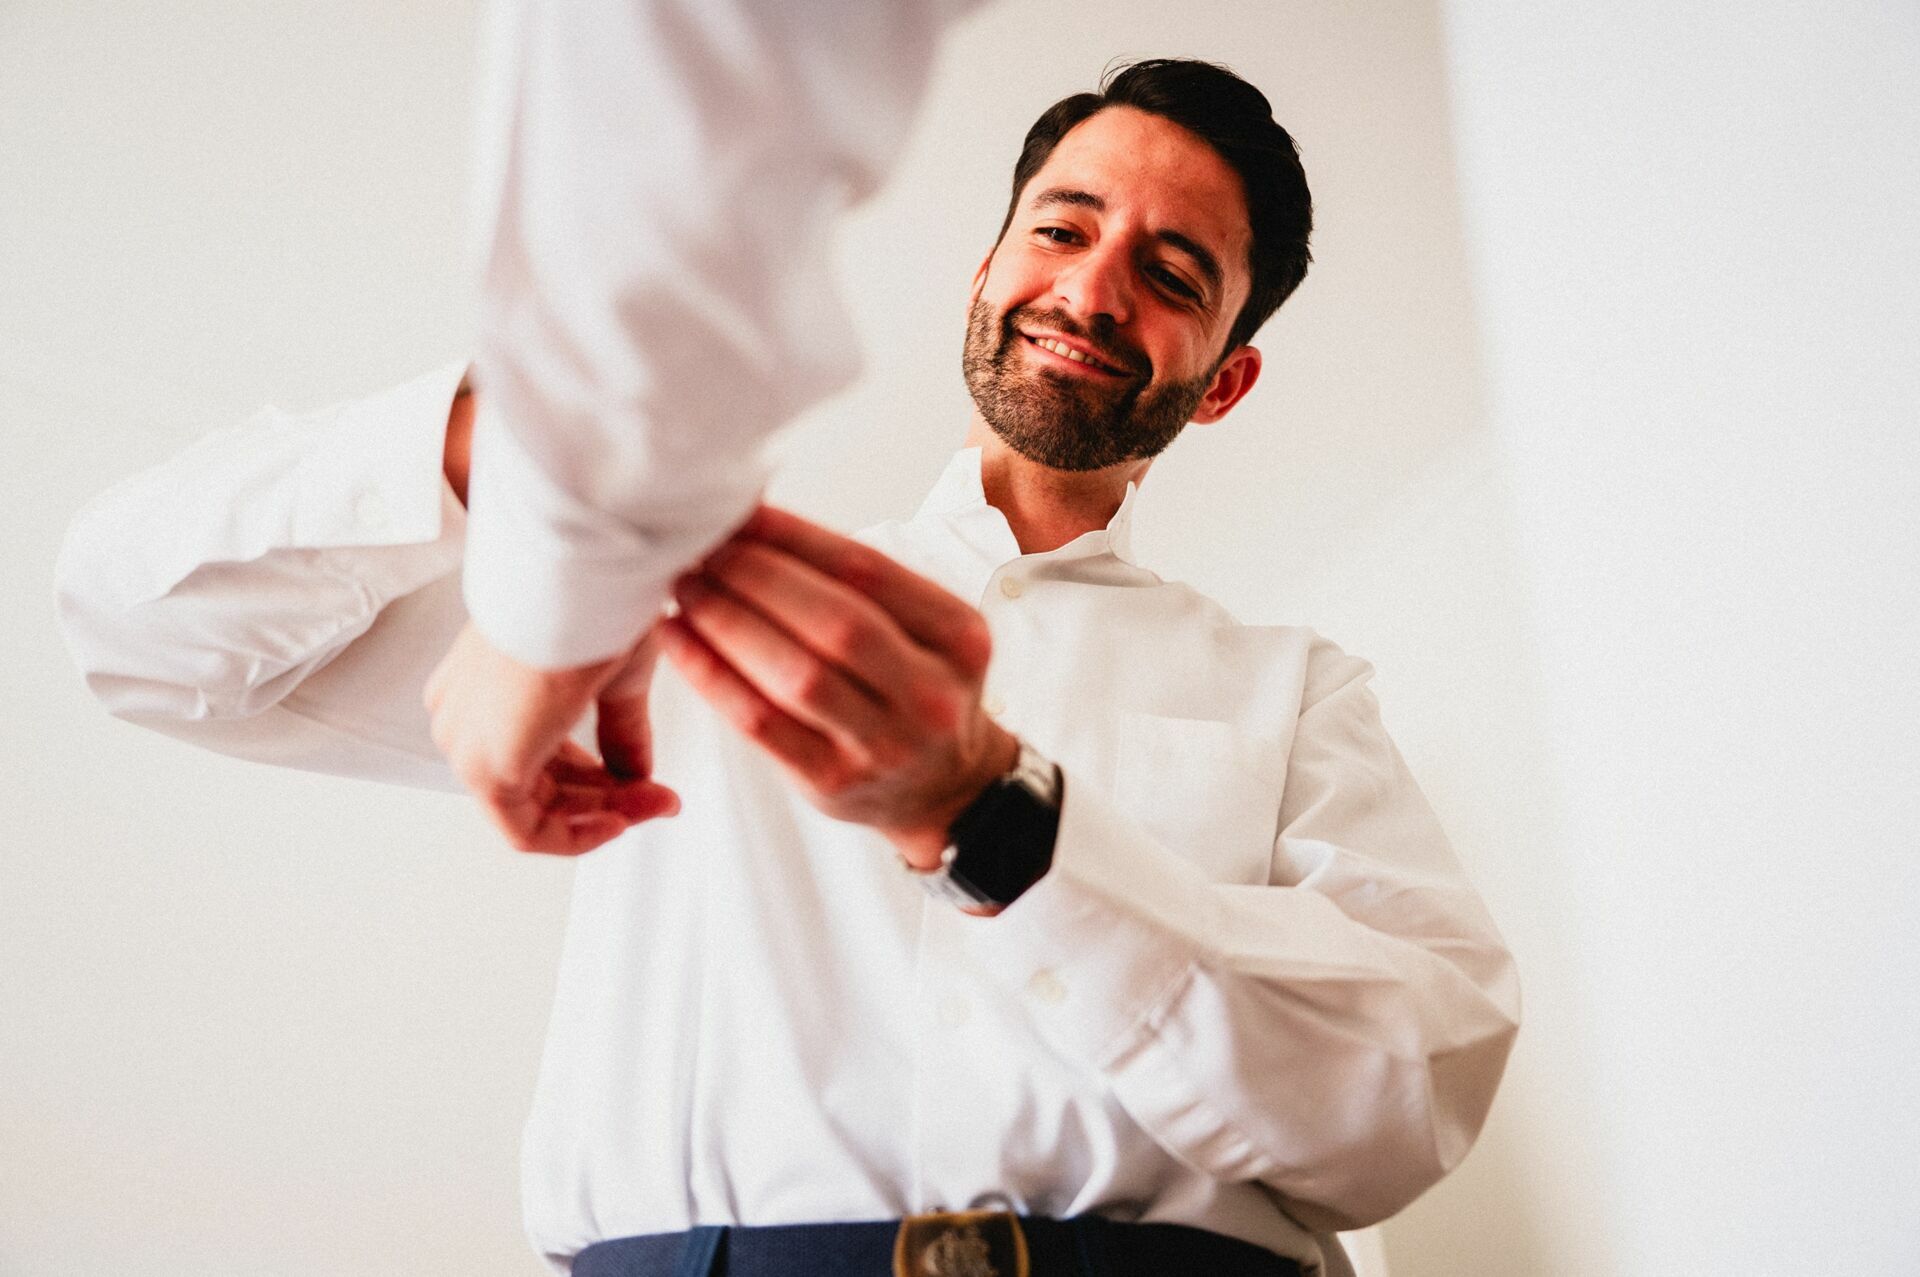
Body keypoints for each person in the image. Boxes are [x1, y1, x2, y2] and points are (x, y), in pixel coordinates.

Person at [57, 59, 1519, 1277]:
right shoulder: (662, 580)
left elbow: (1404, 1098)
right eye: (1062, 229)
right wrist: (525, 456)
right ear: (988, 267)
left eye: (1171, 271)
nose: (1091, 289)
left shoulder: (1298, 688)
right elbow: (138, 629)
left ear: (1228, 374)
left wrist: (1009, 827)